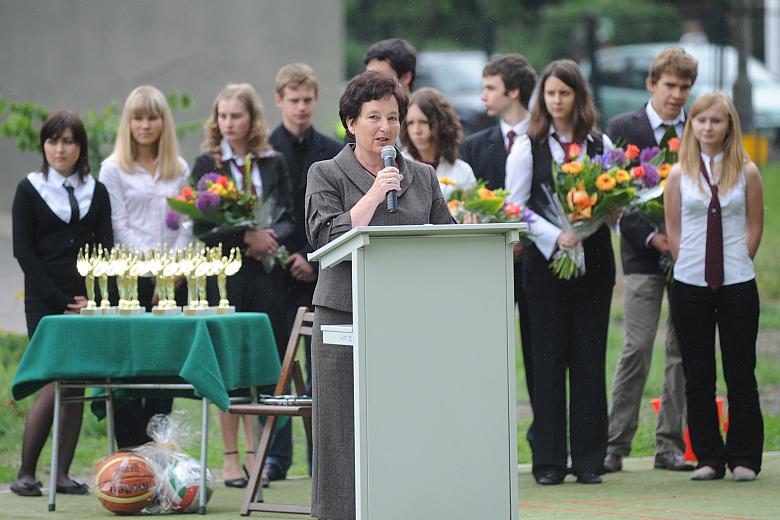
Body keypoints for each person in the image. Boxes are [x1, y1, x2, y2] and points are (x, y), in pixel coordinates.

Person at [305, 70, 452, 519]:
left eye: (393, 117)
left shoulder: (422, 176)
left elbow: (445, 238)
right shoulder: (325, 173)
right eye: (374, 117)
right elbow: (322, 239)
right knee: (340, 427)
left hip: (408, 316)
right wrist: (373, 194)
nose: (385, 127)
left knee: (407, 421)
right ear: (351, 122)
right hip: (343, 313)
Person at [505, 59, 615, 485]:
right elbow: (515, 206)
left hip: (596, 264)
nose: (556, 101)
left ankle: (589, 460)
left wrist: (608, 213)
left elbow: (612, 197)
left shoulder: (598, 142)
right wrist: (556, 235)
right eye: (550, 94)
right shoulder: (527, 144)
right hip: (545, 268)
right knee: (547, 363)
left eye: (564, 93)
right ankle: (549, 462)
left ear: (577, 96)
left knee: (589, 362)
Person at [191, 83, 295, 488]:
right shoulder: (206, 164)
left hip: (268, 274)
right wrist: (243, 238)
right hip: (227, 276)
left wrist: (270, 236)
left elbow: (289, 210)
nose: (229, 123)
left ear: (252, 119)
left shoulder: (272, 160)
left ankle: (260, 455)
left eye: (236, 115)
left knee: (262, 365)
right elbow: (201, 225)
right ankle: (231, 458)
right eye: (223, 116)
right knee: (229, 365)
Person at [603, 48, 699, 474]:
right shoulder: (623, 127)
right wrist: (654, 237)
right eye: (670, 86)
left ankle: (669, 445)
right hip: (642, 255)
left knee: (683, 349)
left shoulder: (699, 127)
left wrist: (682, 241)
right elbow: (615, 196)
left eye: (684, 88)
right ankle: (614, 444)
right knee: (637, 348)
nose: (677, 95)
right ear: (651, 84)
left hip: (690, 256)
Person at [10, 111, 113, 496]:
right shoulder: (29, 189)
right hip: (45, 301)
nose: (60, 149)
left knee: (79, 380)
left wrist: (94, 296)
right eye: (53, 141)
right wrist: (59, 300)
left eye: (68, 141)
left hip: (87, 300)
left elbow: (106, 248)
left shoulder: (96, 191)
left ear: (80, 147)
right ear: (44, 146)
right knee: (57, 377)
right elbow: (24, 252)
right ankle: (25, 473)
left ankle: (62, 474)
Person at [665, 92, 764, 482]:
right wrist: (687, 261)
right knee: (697, 372)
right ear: (692, 125)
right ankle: (708, 455)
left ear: (729, 127)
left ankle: (744, 456)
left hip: (737, 281)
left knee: (741, 369)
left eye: (716, 121)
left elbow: (754, 225)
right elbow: (673, 228)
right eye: (701, 120)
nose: (708, 127)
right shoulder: (679, 174)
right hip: (690, 282)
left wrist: (740, 258)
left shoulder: (747, 172)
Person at [98, 85, 192, 449]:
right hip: (130, 282)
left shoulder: (179, 168)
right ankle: (128, 455)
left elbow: (186, 222)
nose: (145, 125)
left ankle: (158, 453)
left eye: (153, 117)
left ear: (163, 122)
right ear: (128, 122)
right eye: (138, 117)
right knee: (129, 368)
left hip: (173, 281)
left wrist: (173, 271)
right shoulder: (112, 170)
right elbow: (118, 227)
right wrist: (154, 268)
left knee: (162, 368)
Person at [268, 63, 342, 480]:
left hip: (319, 269)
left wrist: (311, 256)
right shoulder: (264, 149)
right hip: (277, 274)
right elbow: (271, 214)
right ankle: (277, 457)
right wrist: (287, 254)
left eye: (307, 100)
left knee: (322, 368)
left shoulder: (331, 150)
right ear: (279, 100)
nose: (300, 107)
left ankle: (322, 457)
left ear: (316, 100)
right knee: (278, 367)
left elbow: (331, 212)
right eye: (293, 100)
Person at [461, 52, 537, 420]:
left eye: (490, 88)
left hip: (538, 263)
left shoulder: (544, 141)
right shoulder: (475, 147)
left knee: (540, 358)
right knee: (486, 353)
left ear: (515, 91)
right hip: (491, 266)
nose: (483, 96)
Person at [400, 87, 476, 199]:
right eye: (410, 123)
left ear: (441, 124)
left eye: (423, 122)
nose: (416, 130)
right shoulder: (397, 166)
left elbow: (472, 210)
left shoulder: (463, 171)